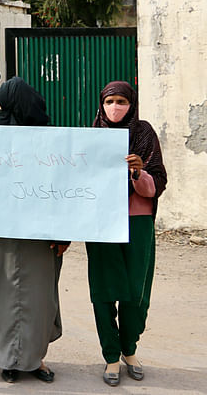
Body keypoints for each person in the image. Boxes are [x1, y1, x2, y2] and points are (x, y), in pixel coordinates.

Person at [0, 76, 64, 384]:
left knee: (37, 297)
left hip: (40, 233)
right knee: (3, 295)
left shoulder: (52, 142)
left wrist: (64, 233)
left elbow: (64, 189)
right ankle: (8, 358)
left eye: (2, 105)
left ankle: (36, 359)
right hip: (0, 230)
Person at [87, 81, 167, 387]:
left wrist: (138, 172)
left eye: (121, 101)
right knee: (104, 290)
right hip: (101, 222)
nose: (114, 107)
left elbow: (158, 182)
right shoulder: (93, 136)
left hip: (137, 221)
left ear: (131, 104)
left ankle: (129, 350)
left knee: (136, 291)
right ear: (101, 104)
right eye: (109, 102)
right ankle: (110, 355)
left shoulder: (144, 134)